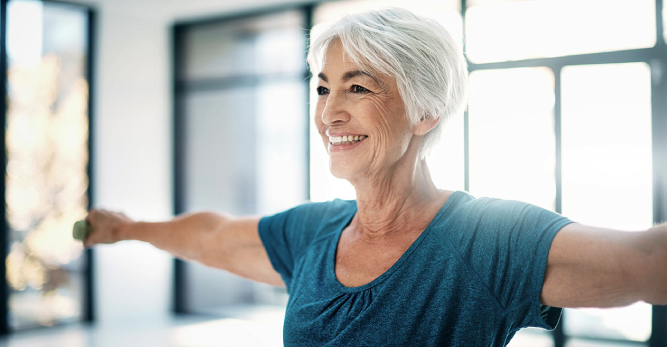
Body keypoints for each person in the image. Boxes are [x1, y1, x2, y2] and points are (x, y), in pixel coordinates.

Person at [82, 8, 667, 346]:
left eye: (358, 87)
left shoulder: (487, 241)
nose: (330, 112)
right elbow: (212, 236)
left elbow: (645, 262)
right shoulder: (314, 233)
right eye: (322, 88)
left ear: (424, 109)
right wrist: (130, 229)